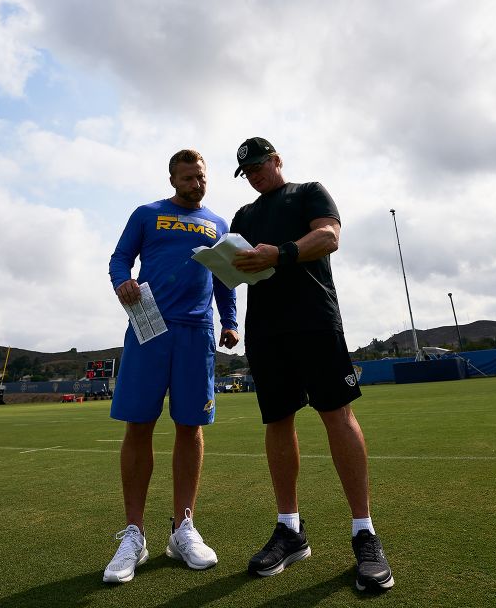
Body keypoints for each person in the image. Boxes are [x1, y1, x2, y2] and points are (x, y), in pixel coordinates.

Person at [229, 137, 394, 592]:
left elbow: (329, 237)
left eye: (260, 166)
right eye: (249, 172)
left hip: (315, 321)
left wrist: (277, 253)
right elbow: (238, 259)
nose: (256, 175)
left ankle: (365, 532)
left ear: (277, 160)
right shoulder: (243, 215)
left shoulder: (309, 192)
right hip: (265, 329)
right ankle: (290, 530)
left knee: (337, 415)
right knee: (277, 421)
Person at [102, 148, 240, 584]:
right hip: (150, 328)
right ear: (172, 179)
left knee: (189, 427)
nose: (195, 184)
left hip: (197, 333)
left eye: (200, 177)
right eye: (187, 178)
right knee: (139, 425)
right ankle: (134, 535)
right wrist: (122, 281)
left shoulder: (218, 225)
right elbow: (119, 258)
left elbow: (226, 277)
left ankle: (183, 529)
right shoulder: (147, 214)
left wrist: (231, 322)